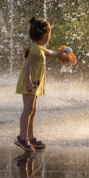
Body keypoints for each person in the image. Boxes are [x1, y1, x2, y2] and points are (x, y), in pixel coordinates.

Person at [14, 17, 62, 152]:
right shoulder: (35, 50)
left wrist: (60, 55)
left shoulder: (39, 48)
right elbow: (28, 66)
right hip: (29, 83)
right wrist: (28, 82)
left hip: (34, 84)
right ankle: (22, 138)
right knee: (27, 110)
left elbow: (51, 53)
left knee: (32, 110)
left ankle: (30, 137)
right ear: (46, 35)